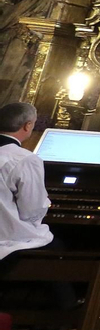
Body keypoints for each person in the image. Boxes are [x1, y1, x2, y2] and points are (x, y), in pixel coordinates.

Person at [0, 102, 51, 263]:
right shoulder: (25, 159)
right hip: (7, 240)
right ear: (27, 126)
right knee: (60, 252)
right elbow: (31, 211)